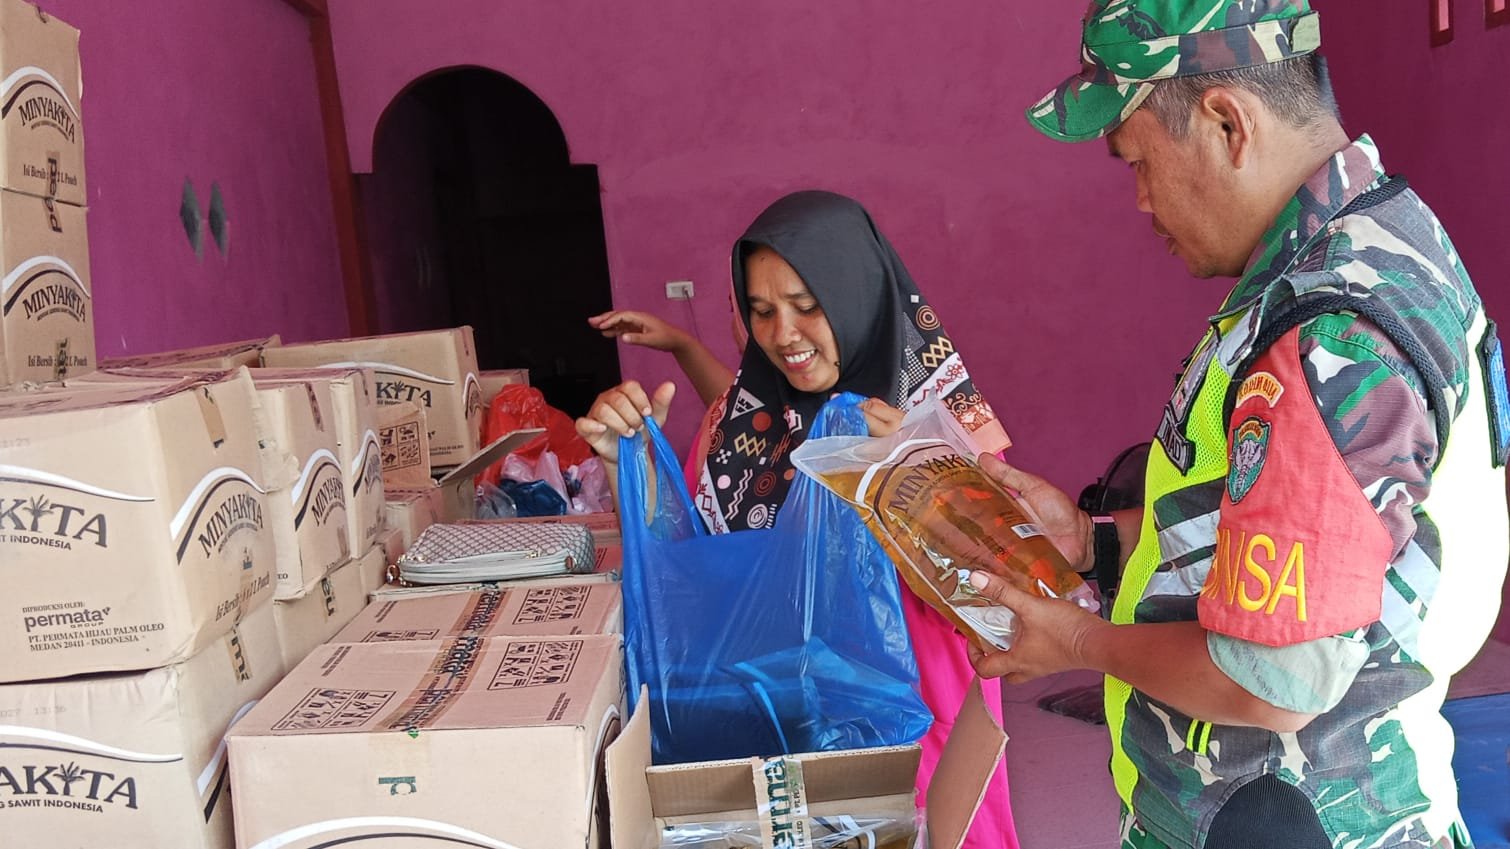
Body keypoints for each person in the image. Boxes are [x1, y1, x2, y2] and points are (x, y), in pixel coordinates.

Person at [966, 2, 1510, 848]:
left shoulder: (1331, 330)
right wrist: (1091, 542)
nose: (1141, 200)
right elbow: (1266, 531)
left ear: (1228, 123)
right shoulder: (1373, 243)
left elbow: (1274, 676)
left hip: (1296, 816)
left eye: (1139, 161)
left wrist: (1075, 638)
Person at [576, 189, 1019, 848]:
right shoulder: (737, 424)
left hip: (919, 748)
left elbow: (1007, 605)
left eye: (808, 306)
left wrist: (909, 483)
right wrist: (629, 467)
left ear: (857, 294)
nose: (783, 334)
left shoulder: (941, 426)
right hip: (781, 746)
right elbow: (693, 576)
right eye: (761, 311)